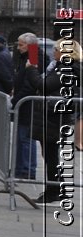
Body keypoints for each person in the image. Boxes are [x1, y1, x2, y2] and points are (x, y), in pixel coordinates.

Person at [35, 39, 81, 202]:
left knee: (51, 154)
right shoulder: (62, 66)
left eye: (55, 49)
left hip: (56, 115)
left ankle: (54, 190)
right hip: (55, 114)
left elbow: (45, 85)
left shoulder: (67, 68)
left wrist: (31, 71)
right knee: (49, 154)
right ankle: (55, 187)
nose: (53, 51)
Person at [13, 32, 43, 181]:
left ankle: (27, 169)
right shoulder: (27, 56)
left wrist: (15, 100)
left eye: (21, 44)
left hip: (28, 104)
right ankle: (20, 168)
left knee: (26, 138)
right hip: (23, 103)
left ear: (30, 45)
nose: (18, 47)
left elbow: (30, 84)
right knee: (20, 137)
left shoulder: (33, 56)